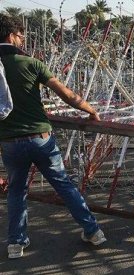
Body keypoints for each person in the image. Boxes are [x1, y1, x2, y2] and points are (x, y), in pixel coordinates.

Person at [0, 15, 106, 259]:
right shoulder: (30, 63)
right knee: (63, 184)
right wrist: (90, 110)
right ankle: (93, 231)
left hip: (10, 143)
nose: (22, 39)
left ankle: (16, 243)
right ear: (11, 36)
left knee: (16, 191)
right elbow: (66, 94)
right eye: (20, 35)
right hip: (41, 138)